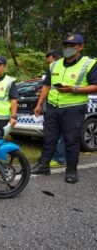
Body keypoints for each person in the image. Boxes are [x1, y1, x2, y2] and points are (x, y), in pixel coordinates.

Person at [31, 34, 97, 184]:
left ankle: (71, 171)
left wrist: (73, 89)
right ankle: (44, 166)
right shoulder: (55, 64)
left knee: (71, 140)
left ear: (80, 47)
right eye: (66, 45)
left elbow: (95, 85)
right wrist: (39, 104)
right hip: (53, 108)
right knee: (49, 138)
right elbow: (47, 85)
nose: (68, 48)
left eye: (72, 45)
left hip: (73, 109)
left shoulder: (90, 64)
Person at [45, 50, 66, 167]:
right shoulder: (53, 71)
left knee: (60, 134)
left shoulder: (64, 71)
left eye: (50, 62)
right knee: (53, 134)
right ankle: (54, 156)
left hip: (64, 106)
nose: (49, 66)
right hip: (53, 105)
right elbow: (49, 86)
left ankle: (59, 158)